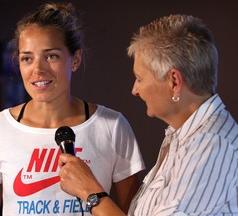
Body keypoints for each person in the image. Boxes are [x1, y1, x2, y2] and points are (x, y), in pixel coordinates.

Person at [0, 2, 145, 216]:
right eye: (27, 58)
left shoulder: (112, 126)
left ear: (75, 59)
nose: (38, 69)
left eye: (51, 56)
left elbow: (135, 213)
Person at [58, 14, 238, 215]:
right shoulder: (184, 138)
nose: (135, 90)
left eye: (140, 79)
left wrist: (90, 191)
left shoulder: (212, 146)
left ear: (174, 82)